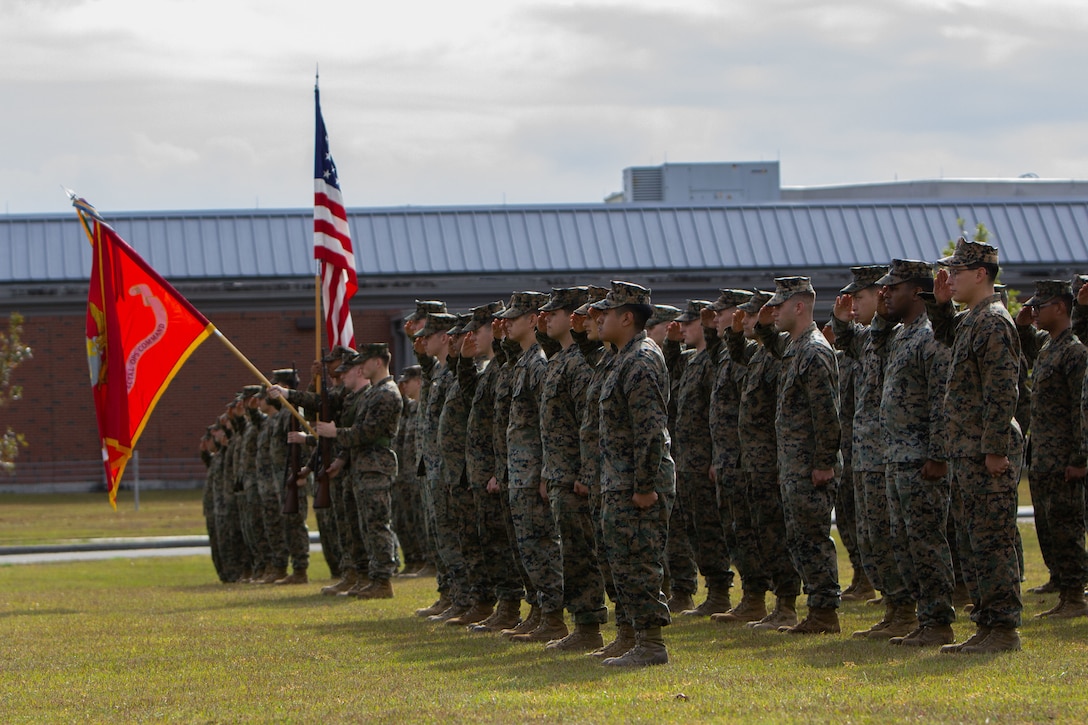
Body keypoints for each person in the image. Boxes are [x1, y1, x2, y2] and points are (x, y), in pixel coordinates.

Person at [927, 238, 1024, 654]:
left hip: (987, 450)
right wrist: (939, 302)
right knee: (974, 540)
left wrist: (995, 448)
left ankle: (1003, 629)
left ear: (981, 274)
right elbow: (947, 336)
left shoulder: (994, 321)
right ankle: (987, 624)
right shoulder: (972, 319)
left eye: (957, 273)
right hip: (969, 450)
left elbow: (1004, 390)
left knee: (993, 540)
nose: (950, 279)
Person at [871, 260, 955, 646]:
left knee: (925, 541)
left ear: (917, 291)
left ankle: (939, 621)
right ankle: (922, 618)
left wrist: (938, 454)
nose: (885, 293)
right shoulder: (901, 334)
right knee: (904, 542)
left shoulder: (930, 335)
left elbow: (942, 398)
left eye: (893, 287)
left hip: (921, 459)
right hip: (897, 456)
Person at [593, 281, 676, 667]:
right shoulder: (620, 357)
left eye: (606, 313)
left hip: (638, 483)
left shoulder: (641, 359)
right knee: (620, 562)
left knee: (639, 561)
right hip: (620, 479)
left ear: (627, 317)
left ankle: (651, 644)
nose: (599, 318)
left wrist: (644, 486)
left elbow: (650, 430)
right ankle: (629, 634)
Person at [833, 265, 917, 639]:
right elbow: (849, 338)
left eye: (860, 297)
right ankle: (894, 607)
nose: (853, 305)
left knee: (890, 534)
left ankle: (906, 610)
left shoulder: (896, 337)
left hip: (888, 455)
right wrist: (840, 320)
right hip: (866, 456)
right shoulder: (870, 338)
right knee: (871, 536)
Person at [756, 276, 843, 634]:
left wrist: (823, 463)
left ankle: (825, 612)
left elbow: (827, 414)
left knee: (812, 537)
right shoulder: (795, 348)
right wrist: (762, 324)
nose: (773, 311)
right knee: (799, 538)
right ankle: (817, 610)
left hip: (810, 467)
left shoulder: (814, 351)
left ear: (799, 306)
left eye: (780, 305)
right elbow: (768, 343)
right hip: (794, 465)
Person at [726, 290, 801, 631]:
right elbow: (737, 356)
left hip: (772, 460)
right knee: (757, 534)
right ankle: (762, 600)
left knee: (776, 534)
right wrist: (733, 332)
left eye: (752, 315)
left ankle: (787, 605)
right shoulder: (758, 354)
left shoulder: (779, 352)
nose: (746, 321)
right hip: (753, 462)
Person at [538, 287, 608, 650]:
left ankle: (589, 626)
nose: (546, 318)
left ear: (573, 317)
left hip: (577, 478)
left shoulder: (581, 363)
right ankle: (582, 624)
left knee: (582, 552)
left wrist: (583, 474)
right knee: (572, 552)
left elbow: (588, 422)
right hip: (560, 474)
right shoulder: (561, 358)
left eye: (554, 313)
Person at [1015, 280, 1088, 618]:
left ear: (1060, 307)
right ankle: (1060, 581)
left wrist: (1080, 459)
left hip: (1064, 459)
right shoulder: (1048, 346)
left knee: (1066, 526)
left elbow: (1081, 409)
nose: (1034, 311)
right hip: (1043, 456)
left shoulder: (1075, 352)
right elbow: (1029, 349)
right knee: (1047, 525)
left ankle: (1075, 595)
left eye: (1039, 306)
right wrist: (1023, 327)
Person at [499, 291, 568, 643]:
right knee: (527, 546)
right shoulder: (524, 362)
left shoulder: (538, 363)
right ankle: (539, 611)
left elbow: (547, 422)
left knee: (541, 544)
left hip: (533, 471)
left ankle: (553, 616)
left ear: (532, 320)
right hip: (519, 469)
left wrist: (544, 471)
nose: (507, 323)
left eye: (515, 317)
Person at [313, 344, 402, 599]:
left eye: (364, 362)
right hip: (363, 466)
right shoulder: (374, 393)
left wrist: (335, 433)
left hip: (375, 466)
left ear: (377, 362)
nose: (359, 367)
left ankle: (382, 580)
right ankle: (369, 577)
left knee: (376, 524)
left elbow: (368, 432)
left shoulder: (387, 393)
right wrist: (341, 458)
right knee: (365, 525)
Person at [667, 299, 734, 617]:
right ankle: (705, 590)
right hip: (687, 461)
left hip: (706, 460)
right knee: (693, 528)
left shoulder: (715, 358)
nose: (682, 328)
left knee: (710, 529)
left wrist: (714, 457)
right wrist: (669, 342)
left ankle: (720, 592)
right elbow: (668, 369)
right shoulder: (693, 361)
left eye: (689, 322)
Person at [392, 365, 428, 576]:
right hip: (403, 474)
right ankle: (413, 559)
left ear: (419, 381)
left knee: (420, 518)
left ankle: (427, 559)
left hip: (417, 474)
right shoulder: (408, 409)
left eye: (407, 381)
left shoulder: (423, 407)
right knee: (405, 519)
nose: (403, 385)